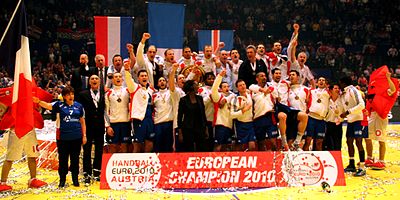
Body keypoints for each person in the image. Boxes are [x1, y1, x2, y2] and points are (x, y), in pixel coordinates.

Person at [34, 86, 86, 188]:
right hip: (63, 138)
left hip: (76, 137)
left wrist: (84, 135)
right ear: (64, 97)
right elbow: (48, 106)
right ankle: (62, 179)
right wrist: (39, 101)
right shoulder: (59, 105)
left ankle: (75, 179)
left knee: (75, 159)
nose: (70, 96)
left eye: (72, 94)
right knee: (63, 160)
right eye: (68, 95)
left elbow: (83, 122)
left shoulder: (79, 106)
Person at [365, 71, 398, 170]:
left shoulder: (386, 90)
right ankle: (370, 158)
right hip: (372, 115)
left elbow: (393, 90)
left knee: (381, 138)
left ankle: (381, 161)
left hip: (381, 115)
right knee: (367, 137)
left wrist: (388, 78)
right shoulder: (373, 91)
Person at [78, 75, 105, 184]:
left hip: (99, 126)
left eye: (96, 79)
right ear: (89, 82)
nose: (94, 80)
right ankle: (87, 173)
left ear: (99, 82)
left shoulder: (104, 94)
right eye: (92, 79)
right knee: (87, 150)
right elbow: (80, 112)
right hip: (87, 126)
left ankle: (97, 172)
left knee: (99, 150)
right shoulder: (82, 94)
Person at [124, 60, 156, 153]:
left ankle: (147, 163)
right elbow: (129, 80)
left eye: (145, 76)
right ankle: (136, 165)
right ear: (138, 78)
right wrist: (127, 71)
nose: (144, 77)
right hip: (138, 119)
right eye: (142, 76)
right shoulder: (134, 88)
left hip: (149, 119)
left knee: (150, 142)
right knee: (137, 144)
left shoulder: (151, 90)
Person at [339, 76, 367, 176]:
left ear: (344, 83)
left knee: (358, 141)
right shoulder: (343, 94)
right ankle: (351, 164)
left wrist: (348, 112)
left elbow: (362, 105)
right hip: (350, 121)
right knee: (349, 141)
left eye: (340, 83)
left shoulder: (353, 90)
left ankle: (362, 167)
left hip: (358, 120)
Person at [249, 72, 278, 151]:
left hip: (270, 116)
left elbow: (277, 97)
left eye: (265, 76)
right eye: (262, 76)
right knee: (261, 142)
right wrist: (263, 91)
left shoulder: (271, 88)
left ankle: (277, 161)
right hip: (258, 118)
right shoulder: (252, 89)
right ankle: (263, 161)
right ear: (257, 79)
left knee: (273, 142)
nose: (264, 77)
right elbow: (251, 86)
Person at [177, 80, 208, 152]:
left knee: (202, 148)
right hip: (188, 128)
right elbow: (180, 117)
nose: (198, 86)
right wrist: (180, 132)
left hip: (200, 127)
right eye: (196, 85)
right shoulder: (183, 100)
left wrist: (206, 128)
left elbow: (203, 114)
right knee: (189, 148)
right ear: (191, 87)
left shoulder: (200, 98)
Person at [104, 73, 131, 153]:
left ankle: (124, 165)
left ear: (122, 79)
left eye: (120, 77)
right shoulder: (108, 93)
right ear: (112, 79)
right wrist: (108, 126)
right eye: (116, 77)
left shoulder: (127, 91)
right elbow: (105, 111)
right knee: (112, 145)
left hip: (125, 123)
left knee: (125, 145)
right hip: (113, 123)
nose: (118, 78)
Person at [211, 69, 235, 151]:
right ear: (220, 89)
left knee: (227, 147)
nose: (227, 88)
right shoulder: (218, 96)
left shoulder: (232, 97)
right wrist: (220, 76)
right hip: (220, 124)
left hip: (229, 125)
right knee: (218, 146)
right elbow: (213, 89)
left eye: (228, 86)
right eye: (224, 87)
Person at [304, 77, 330, 151]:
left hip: (321, 120)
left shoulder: (329, 92)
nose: (321, 81)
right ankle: (305, 159)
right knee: (308, 141)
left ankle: (319, 160)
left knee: (319, 142)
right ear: (316, 83)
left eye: (323, 80)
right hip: (311, 118)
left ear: (326, 83)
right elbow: (306, 101)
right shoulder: (311, 91)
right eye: (319, 80)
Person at [230, 79, 256, 151]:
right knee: (240, 147)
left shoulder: (250, 95)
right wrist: (244, 110)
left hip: (250, 124)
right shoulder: (235, 99)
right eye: (240, 85)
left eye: (243, 84)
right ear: (237, 88)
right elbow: (232, 115)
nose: (243, 86)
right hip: (240, 124)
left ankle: (249, 160)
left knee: (252, 146)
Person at [288, 24, 316, 88]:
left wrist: (314, 90)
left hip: (300, 87)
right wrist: (294, 46)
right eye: (301, 57)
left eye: (304, 57)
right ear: (297, 58)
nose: (302, 58)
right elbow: (292, 54)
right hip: (291, 86)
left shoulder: (306, 68)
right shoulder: (295, 64)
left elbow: (311, 79)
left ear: (306, 59)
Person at [324, 83, 345, 151]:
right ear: (331, 90)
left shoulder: (342, 99)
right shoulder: (327, 99)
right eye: (335, 88)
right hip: (328, 124)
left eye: (338, 88)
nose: (337, 90)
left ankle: (337, 160)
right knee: (329, 143)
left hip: (338, 124)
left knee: (338, 143)